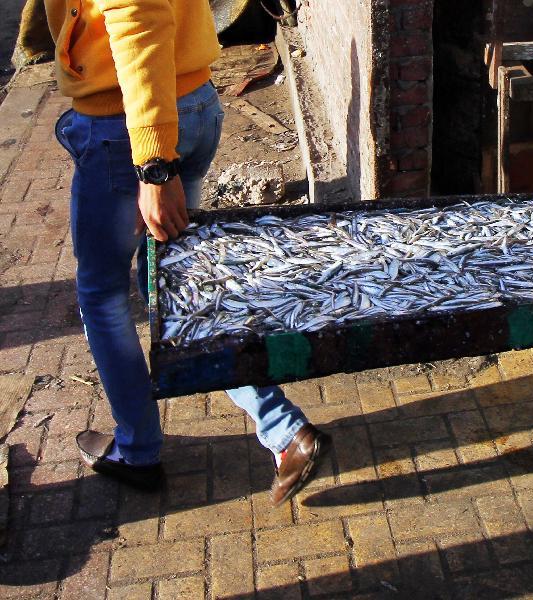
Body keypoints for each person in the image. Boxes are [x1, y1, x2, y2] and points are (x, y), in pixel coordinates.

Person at [46, 0, 331, 507]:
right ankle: (286, 433)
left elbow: (137, 18)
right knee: (174, 287)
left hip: (131, 125)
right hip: (192, 100)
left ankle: (136, 450)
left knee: (102, 294)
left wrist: (154, 166)